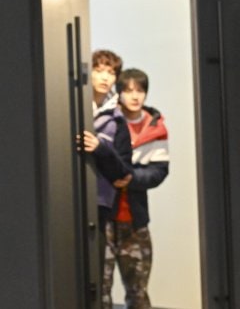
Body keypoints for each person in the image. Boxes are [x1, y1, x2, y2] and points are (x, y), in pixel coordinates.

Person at [103, 68, 170, 309]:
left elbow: (159, 171)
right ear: (119, 92)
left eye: (140, 90)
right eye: (129, 90)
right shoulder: (106, 120)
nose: (135, 96)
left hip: (135, 219)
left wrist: (131, 178)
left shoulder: (155, 126)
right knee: (100, 290)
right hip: (103, 219)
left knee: (138, 292)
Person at [79, 49, 133, 309]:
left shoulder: (117, 119)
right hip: (68, 198)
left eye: (111, 73)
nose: (104, 77)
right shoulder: (73, 108)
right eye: (99, 70)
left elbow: (123, 170)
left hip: (100, 204)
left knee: (94, 272)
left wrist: (100, 147)